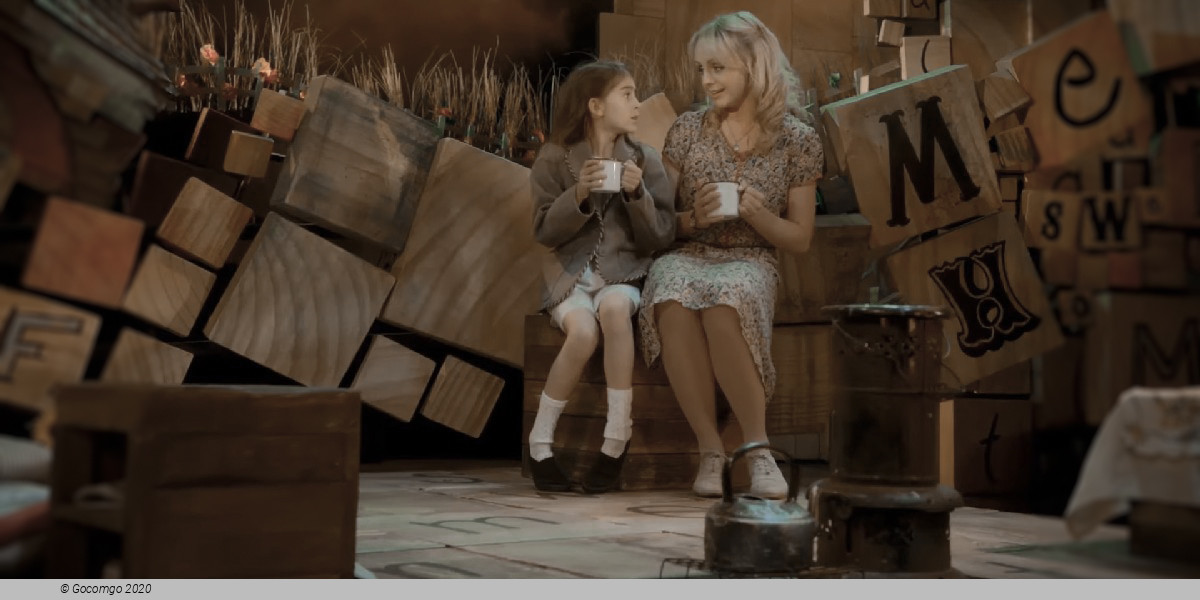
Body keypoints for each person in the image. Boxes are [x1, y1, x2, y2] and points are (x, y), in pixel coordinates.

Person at [638, 11, 823, 499]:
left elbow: (800, 238)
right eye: (702, 69)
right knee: (670, 291)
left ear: (753, 66)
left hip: (752, 257)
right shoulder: (687, 129)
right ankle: (710, 451)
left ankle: (757, 450)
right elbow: (659, 224)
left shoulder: (798, 139)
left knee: (726, 299)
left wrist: (759, 216)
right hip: (689, 250)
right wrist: (692, 219)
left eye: (718, 68)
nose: (707, 80)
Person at [528, 60, 676, 493]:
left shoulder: (644, 159)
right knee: (582, 333)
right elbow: (543, 231)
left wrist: (637, 194)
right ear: (595, 106)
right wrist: (577, 193)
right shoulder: (554, 158)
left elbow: (661, 235)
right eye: (626, 94)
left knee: (613, 311)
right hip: (570, 277)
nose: (636, 104)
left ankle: (616, 436)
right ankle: (539, 444)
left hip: (623, 273)